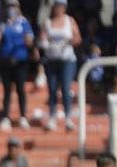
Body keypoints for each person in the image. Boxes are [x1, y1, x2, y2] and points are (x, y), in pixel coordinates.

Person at [0, 0, 34, 132]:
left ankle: (22, 116)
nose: (11, 9)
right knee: (7, 90)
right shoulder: (2, 23)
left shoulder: (23, 22)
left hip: (20, 61)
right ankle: (5, 116)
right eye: (9, 6)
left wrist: (29, 41)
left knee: (21, 88)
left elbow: (30, 41)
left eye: (14, 6)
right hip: (6, 61)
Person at [38, 0, 80, 131]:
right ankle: (52, 117)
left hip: (67, 60)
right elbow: (42, 38)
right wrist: (44, 42)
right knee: (52, 89)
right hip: (51, 61)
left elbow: (78, 38)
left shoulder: (69, 21)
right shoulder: (48, 22)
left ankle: (68, 117)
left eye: (61, 6)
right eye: (56, 6)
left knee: (66, 87)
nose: (58, 9)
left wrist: (69, 42)